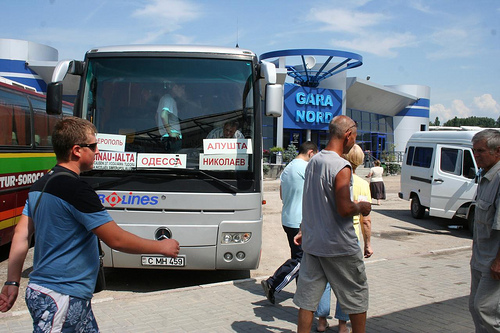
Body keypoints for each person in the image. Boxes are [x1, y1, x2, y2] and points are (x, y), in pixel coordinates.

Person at [0, 117, 180, 331]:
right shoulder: (76, 190)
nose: (97, 151)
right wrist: (161, 246)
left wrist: (12, 281)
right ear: (77, 150)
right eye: (93, 146)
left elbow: (21, 236)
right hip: (61, 297)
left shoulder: (40, 184)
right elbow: (116, 239)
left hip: (53, 292)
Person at [293, 115, 371, 333]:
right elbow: (345, 208)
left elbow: (309, 200)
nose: (355, 141)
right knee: (356, 297)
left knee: (307, 300)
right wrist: (361, 207)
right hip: (339, 247)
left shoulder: (314, 161)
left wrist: (303, 229)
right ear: (348, 135)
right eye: (355, 136)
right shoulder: (341, 166)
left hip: (314, 244)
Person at [316, 144, 374, 333]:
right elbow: (366, 220)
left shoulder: (335, 175)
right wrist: (368, 244)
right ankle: (342, 324)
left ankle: (321, 321)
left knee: (324, 281)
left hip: (327, 235)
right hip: (351, 238)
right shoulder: (363, 184)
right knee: (347, 284)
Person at [261, 141, 318, 305]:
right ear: (311, 153)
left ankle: (302, 293)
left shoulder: (287, 169)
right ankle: (273, 282)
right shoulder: (306, 168)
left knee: (299, 257)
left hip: (288, 218)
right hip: (300, 221)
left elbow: (281, 195)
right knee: (302, 259)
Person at [469, 129, 500, 332]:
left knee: (485, 309)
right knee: (475, 307)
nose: (476, 155)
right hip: (480, 259)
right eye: (474, 150)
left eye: (481, 150)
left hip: (494, 262)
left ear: (498, 151)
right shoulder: (486, 176)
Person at [157, 82, 184, 152]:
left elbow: (156, 117)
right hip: (172, 139)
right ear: (175, 87)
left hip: (166, 138)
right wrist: (170, 133)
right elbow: (163, 115)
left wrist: (162, 131)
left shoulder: (163, 99)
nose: (183, 92)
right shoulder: (168, 99)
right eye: (182, 88)